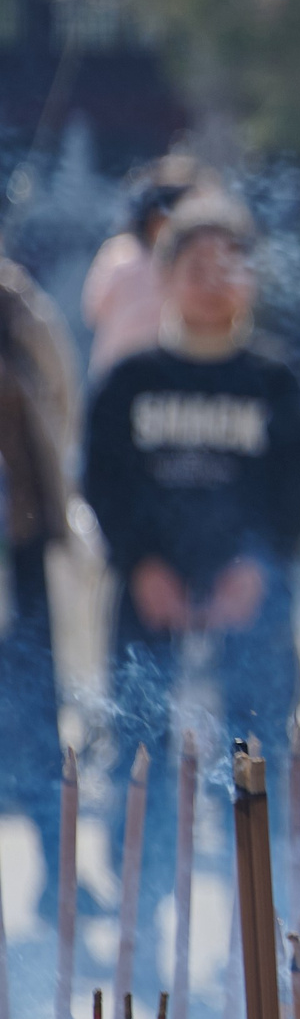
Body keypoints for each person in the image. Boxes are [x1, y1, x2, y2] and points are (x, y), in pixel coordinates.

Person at [85, 191, 300, 940]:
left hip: (252, 604)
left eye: (229, 265)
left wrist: (254, 571)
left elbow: (295, 491)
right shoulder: (130, 383)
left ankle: (261, 941)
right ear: (164, 275)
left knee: (255, 764)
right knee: (145, 761)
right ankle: (143, 927)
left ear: (252, 277)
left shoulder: (276, 383)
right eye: (194, 265)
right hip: (148, 601)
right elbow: (104, 483)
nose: (212, 280)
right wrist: (139, 564)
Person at [0, 250, 78, 918]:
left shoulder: (14, 303)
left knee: (33, 713)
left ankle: (61, 876)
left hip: (13, 547)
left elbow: (58, 394)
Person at [82, 156, 205, 384]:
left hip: (166, 381)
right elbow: (94, 310)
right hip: (116, 372)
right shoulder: (121, 254)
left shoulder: (190, 265)